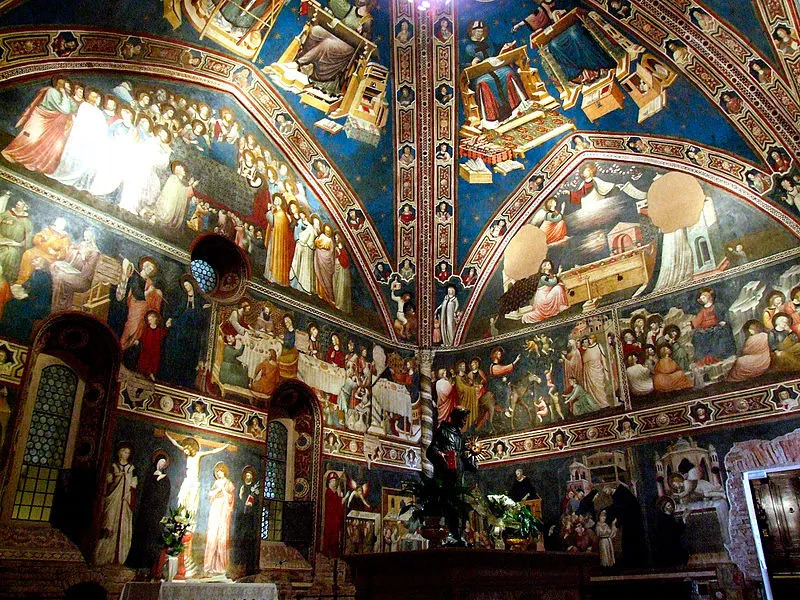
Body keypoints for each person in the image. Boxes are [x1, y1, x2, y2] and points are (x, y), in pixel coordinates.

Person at [425, 406, 479, 545]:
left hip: (459, 476)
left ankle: (458, 534)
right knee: (448, 505)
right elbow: (431, 450)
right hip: (446, 476)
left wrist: (473, 454)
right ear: (456, 417)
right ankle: (448, 534)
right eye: (463, 418)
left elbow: (464, 459)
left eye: (465, 418)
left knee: (460, 506)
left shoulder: (460, 436)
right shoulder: (442, 431)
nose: (465, 421)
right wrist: (441, 455)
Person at [2, 76, 77, 174]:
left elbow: (74, 108)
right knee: (29, 138)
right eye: (64, 86)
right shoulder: (52, 92)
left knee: (42, 145)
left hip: (51, 121)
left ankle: (32, 162)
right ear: (58, 85)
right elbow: (66, 110)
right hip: (41, 118)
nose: (66, 89)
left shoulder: (66, 97)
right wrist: (64, 94)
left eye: (68, 88)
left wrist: (66, 96)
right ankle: (11, 153)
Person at [125, 451, 171, 572]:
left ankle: (150, 564)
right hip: (146, 510)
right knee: (142, 535)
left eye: (163, 463)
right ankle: (137, 562)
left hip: (157, 512)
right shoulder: (149, 476)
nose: (161, 465)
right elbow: (144, 492)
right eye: (160, 462)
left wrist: (161, 483)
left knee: (153, 537)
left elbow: (165, 495)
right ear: (156, 462)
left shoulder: (165, 479)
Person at [165, 433, 229, 517]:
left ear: (190, 449)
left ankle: (189, 519)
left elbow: (212, 452)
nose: (185, 452)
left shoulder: (198, 455)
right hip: (187, 480)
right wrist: (167, 435)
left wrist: (224, 447)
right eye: (184, 451)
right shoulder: (187, 455)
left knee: (192, 502)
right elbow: (176, 444)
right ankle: (180, 516)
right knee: (181, 498)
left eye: (186, 451)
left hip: (194, 482)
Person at [94, 443, 138, 565]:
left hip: (125, 500)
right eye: (124, 451)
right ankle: (104, 556)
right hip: (113, 498)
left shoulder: (131, 468)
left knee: (123, 524)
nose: (125, 454)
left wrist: (128, 494)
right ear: (119, 452)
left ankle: (121, 557)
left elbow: (133, 485)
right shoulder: (114, 466)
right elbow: (107, 482)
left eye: (127, 452)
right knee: (109, 522)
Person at [204, 462, 235, 575]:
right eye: (217, 472)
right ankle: (209, 566)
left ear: (224, 472)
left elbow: (231, 498)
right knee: (213, 535)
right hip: (216, 508)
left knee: (222, 536)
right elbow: (210, 495)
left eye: (220, 471)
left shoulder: (228, 483)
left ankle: (221, 566)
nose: (219, 473)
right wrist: (218, 490)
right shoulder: (216, 483)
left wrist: (224, 491)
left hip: (224, 509)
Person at [522, 259, 569, 323]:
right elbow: (552, 282)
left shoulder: (549, 274)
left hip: (547, 295)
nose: (550, 265)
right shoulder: (543, 277)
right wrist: (559, 274)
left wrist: (559, 278)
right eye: (547, 264)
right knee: (558, 288)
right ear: (544, 267)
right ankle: (526, 317)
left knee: (559, 287)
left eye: (549, 264)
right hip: (543, 299)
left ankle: (560, 306)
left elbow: (554, 280)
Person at [233, 466, 260, 574]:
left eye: (250, 475)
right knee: (240, 541)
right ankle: (237, 566)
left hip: (250, 518)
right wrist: (240, 496)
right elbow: (238, 500)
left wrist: (252, 501)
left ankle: (248, 568)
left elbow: (256, 502)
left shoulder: (254, 489)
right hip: (241, 517)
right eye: (247, 475)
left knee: (248, 541)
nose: (248, 477)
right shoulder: (241, 486)